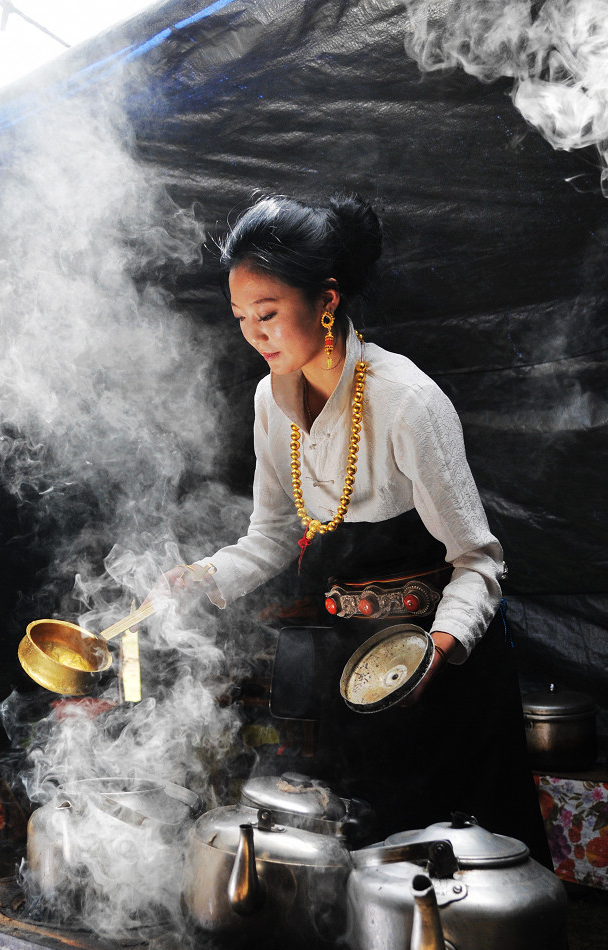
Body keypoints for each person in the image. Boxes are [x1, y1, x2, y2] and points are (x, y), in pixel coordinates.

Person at [155, 193, 550, 864]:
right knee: (357, 860)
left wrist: (437, 651)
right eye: (242, 317)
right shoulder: (268, 401)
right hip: (352, 675)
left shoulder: (407, 400)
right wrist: (202, 577)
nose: (256, 334)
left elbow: (478, 562)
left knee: (449, 871)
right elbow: (273, 535)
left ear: (327, 300)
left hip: (441, 671)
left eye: (270, 313)